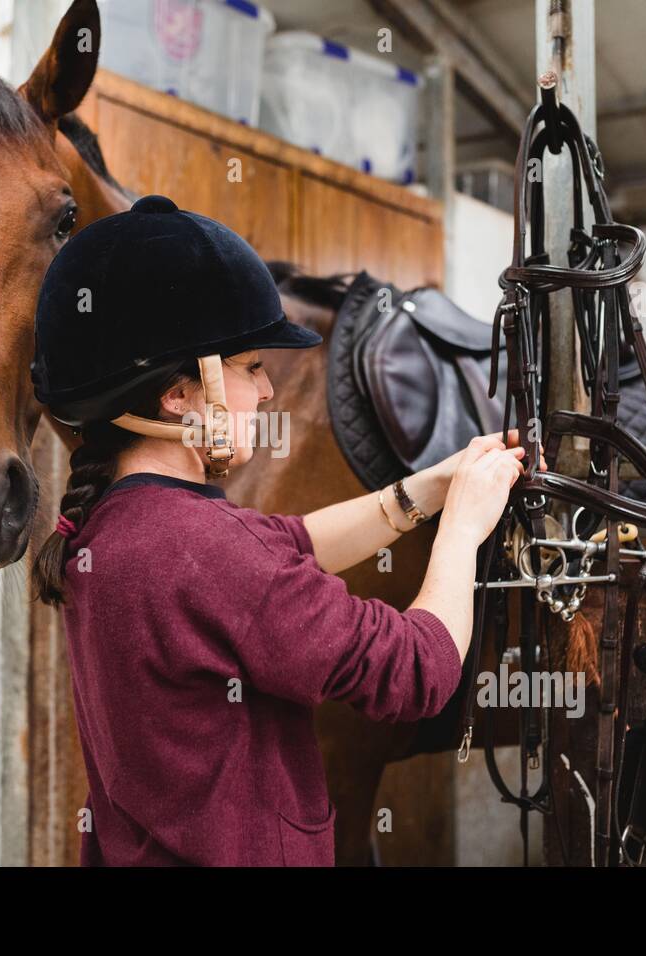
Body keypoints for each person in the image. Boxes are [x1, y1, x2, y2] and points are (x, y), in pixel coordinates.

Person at [30, 194, 526, 866]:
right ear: (179, 393)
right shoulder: (209, 551)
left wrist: (426, 490)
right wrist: (464, 528)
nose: (266, 393)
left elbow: (292, 542)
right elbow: (418, 671)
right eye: (252, 367)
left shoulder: (113, 525)